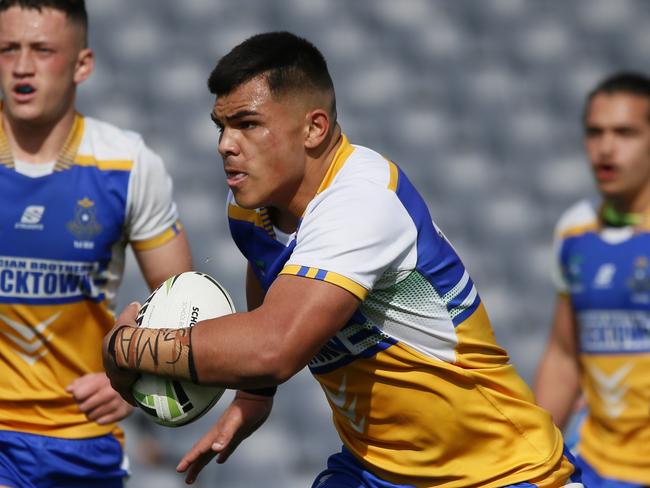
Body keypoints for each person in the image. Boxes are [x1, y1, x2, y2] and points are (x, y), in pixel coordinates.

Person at [103, 31, 582, 488]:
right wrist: (253, 394)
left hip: (497, 473)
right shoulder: (252, 209)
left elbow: (274, 348)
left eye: (247, 124)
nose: (226, 144)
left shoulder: (361, 203)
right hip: (376, 470)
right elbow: (267, 269)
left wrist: (125, 348)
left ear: (314, 128)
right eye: (221, 127)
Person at [0, 1, 192, 487]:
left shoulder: (127, 165)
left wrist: (134, 384)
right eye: (8, 49)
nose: (22, 67)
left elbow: (186, 307)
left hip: (82, 440)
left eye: (42, 50)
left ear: (82, 64)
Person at [534, 71, 650, 488]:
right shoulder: (575, 230)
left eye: (625, 133)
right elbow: (564, 355)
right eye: (595, 132)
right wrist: (533, 459)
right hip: (597, 464)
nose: (605, 148)